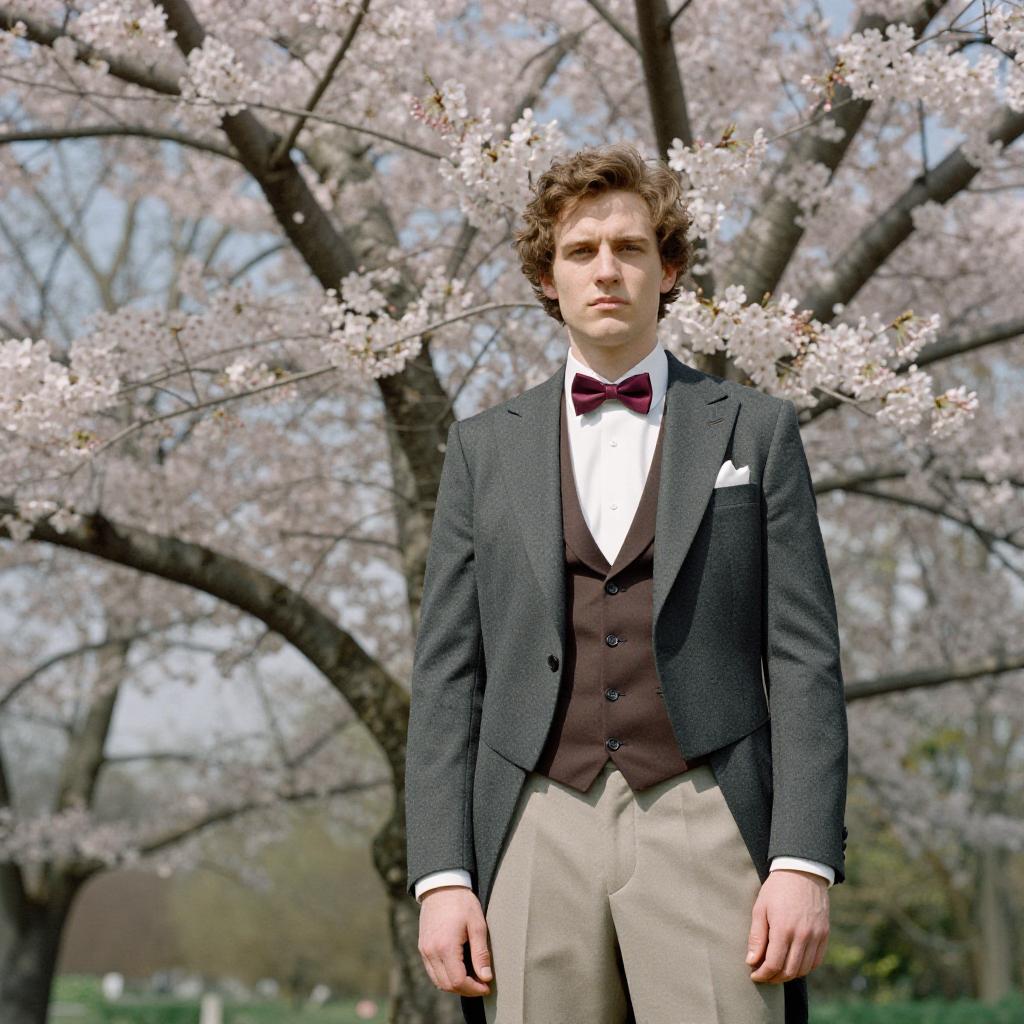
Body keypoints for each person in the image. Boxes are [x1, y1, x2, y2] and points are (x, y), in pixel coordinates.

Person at [404, 141, 848, 1024]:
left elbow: (803, 659)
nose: (606, 269)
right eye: (580, 251)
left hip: (707, 811)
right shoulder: (481, 448)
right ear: (546, 276)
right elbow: (447, 674)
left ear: (668, 266)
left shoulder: (757, 433)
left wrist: (801, 860)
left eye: (631, 247)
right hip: (532, 817)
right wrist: (441, 876)